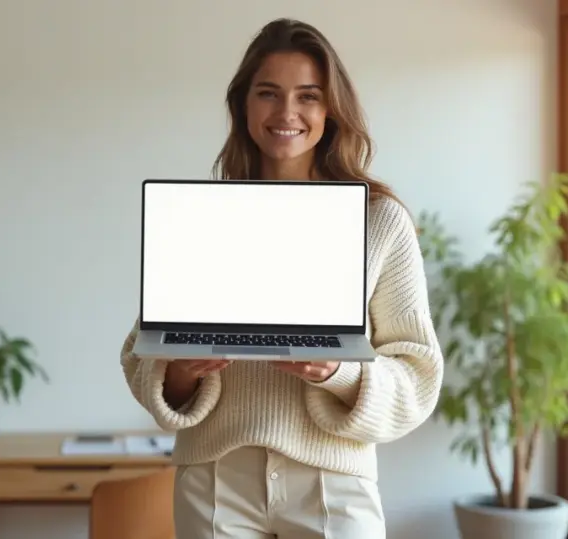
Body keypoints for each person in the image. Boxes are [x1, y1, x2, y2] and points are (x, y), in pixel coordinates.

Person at [119, 18, 444, 539]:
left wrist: (338, 371)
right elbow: (142, 356)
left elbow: (418, 376)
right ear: (243, 106)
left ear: (330, 108)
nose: (287, 112)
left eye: (308, 96)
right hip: (215, 481)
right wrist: (181, 370)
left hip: (333, 484)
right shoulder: (200, 218)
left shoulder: (379, 220)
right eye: (268, 93)